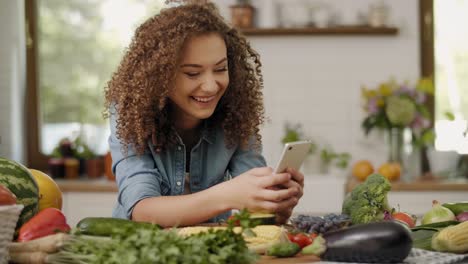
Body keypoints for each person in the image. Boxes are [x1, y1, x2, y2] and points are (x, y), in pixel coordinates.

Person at [104, 1, 304, 227]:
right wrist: (227, 195)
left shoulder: (235, 111)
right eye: (192, 73)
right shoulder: (131, 112)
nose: (210, 86)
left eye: (220, 69)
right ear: (160, 77)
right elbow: (142, 210)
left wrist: (275, 204)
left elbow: (258, 213)